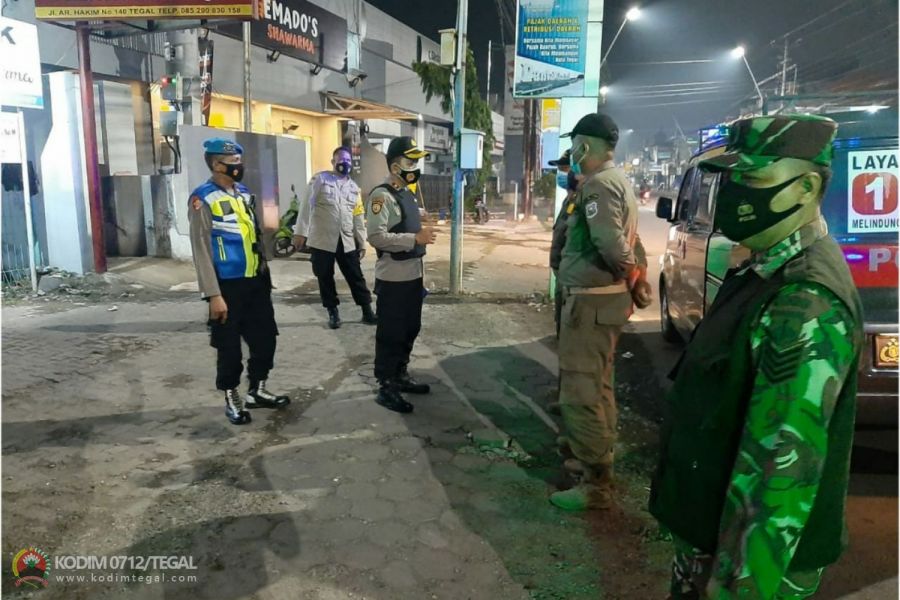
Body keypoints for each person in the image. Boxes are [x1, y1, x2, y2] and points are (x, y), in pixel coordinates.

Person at [649, 115, 863, 600]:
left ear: (806, 187)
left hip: (750, 569)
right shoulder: (764, 268)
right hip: (714, 539)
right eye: (733, 178)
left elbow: (778, 479)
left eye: (754, 178)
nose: (736, 192)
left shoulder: (803, 299)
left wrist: (736, 588)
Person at [550, 113, 650, 511]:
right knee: (599, 380)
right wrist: (635, 277)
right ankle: (596, 453)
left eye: (574, 146)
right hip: (601, 300)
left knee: (581, 388)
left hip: (591, 301)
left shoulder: (597, 187)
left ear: (585, 146)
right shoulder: (618, 182)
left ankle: (596, 483)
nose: (572, 154)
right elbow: (630, 240)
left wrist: (632, 275)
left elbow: (611, 242)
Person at [188, 138, 290, 426]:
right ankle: (232, 396)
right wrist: (213, 295)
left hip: (256, 282)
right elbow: (201, 250)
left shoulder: (243, 193)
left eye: (239, 163)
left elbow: (253, 236)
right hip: (227, 286)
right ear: (215, 164)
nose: (238, 168)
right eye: (232, 164)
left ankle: (256, 389)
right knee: (229, 347)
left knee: (265, 338)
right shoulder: (202, 199)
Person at [365, 136, 437, 413]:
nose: (415, 167)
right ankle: (386, 385)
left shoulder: (406, 193)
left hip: (413, 275)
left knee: (410, 328)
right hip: (393, 278)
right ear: (395, 166)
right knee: (391, 333)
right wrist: (415, 238)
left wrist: (419, 234)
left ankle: (400, 374)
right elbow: (377, 237)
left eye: (416, 161)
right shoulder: (381, 196)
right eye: (410, 161)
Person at [292, 146, 376, 329]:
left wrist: (361, 242)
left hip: (346, 240)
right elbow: (307, 205)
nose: (344, 164)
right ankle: (333, 312)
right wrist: (300, 232)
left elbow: (358, 216)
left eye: (348, 161)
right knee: (325, 277)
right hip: (322, 240)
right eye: (341, 160)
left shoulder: (354, 188)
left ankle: (367, 310)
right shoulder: (320, 180)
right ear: (333, 162)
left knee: (355, 276)